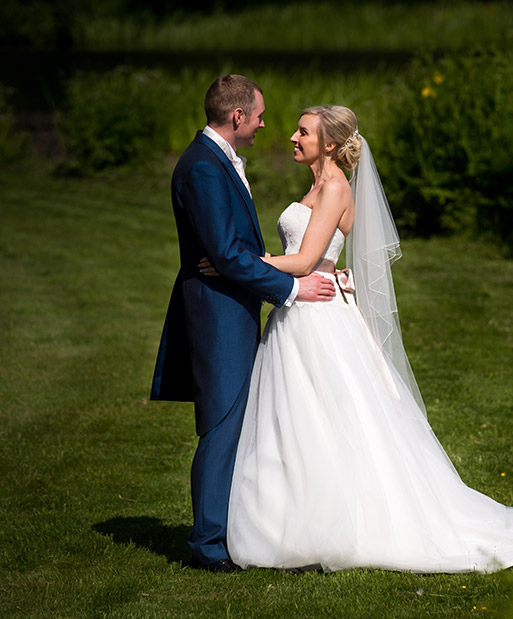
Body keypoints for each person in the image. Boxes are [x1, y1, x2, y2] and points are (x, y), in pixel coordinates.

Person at [219, 105, 513, 573]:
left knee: (326, 418)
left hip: (317, 317)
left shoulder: (335, 187)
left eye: (302, 132)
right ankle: (289, 518)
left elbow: (305, 262)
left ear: (328, 143)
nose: (292, 137)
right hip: (296, 314)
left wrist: (246, 261)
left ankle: (335, 523)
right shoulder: (315, 187)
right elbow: (317, 255)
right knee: (294, 417)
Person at [150, 75, 336, 573]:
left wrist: (246, 259)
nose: (262, 125)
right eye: (258, 116)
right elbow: (228, 255)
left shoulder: (212, 161)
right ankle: (210, 546)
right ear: (237, 117)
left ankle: (236, 530)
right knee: (223, 425)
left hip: (230, 304)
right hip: (219, 313)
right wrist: (294, 288)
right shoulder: (205, 168)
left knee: (238, 424)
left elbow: (233, 252)